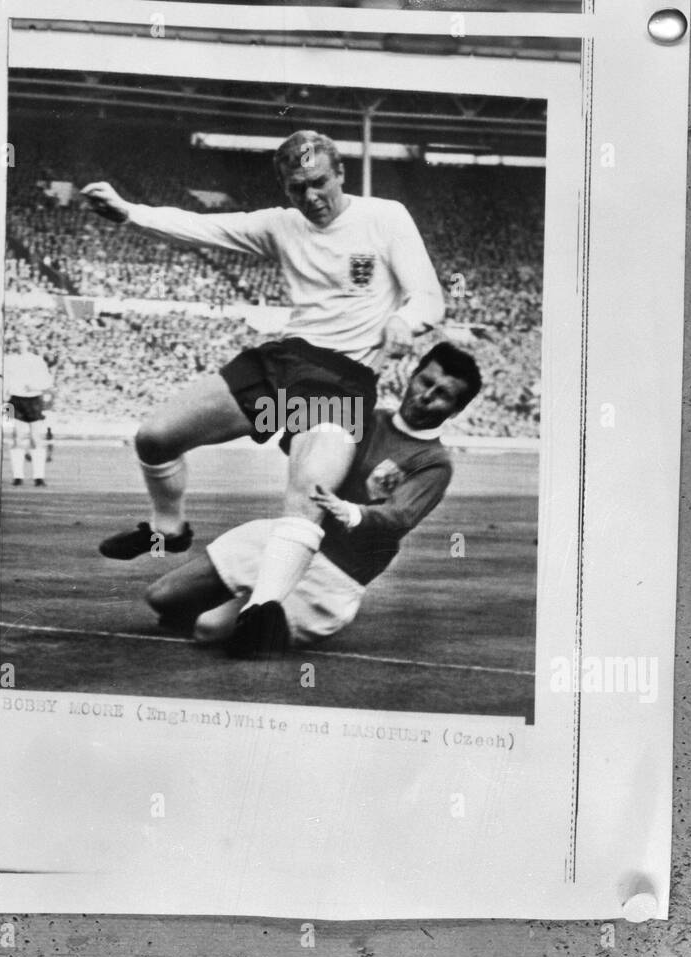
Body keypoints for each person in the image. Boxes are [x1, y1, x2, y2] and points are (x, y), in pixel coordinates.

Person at [81, 130, 445, 657]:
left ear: (340, 173)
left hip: (340, 379)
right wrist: (129, 212)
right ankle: (169, 526)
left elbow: (430, 295)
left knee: (306, 494)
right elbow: (205, 227)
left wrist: (407, 320)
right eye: (298, 187)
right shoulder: (280, 224)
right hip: (280, 364)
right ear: (286, 187)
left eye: (320, 182)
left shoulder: (385, 217)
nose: (312, 196)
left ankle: (262, 612)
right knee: (155, 437)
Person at [146, 342, 481, 658]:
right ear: (412, 375)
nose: (426, 396)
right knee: (162, 598)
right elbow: (299, 438)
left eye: (442, 395)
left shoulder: (433, 461)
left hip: (334, 572)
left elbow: (400, 517)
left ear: (455, 409)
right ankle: (247, 599)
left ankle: (257, 610)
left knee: (209, 629)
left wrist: (351, 512)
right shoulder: (361, 415)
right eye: (426, 382)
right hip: (287, 537)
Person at [3, 334, 53, 487]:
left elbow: (47, 381)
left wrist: (35, 386)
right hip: (15, 400)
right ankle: (18, 476)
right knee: (17, 436)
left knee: (36, 437)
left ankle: (39, 477)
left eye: (23, 341)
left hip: (34, 399)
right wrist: (5, 394)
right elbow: (4, 379)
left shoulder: (36, 360)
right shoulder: (9, 359)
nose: (20, 344)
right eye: (17, 341)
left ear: (28, 343)